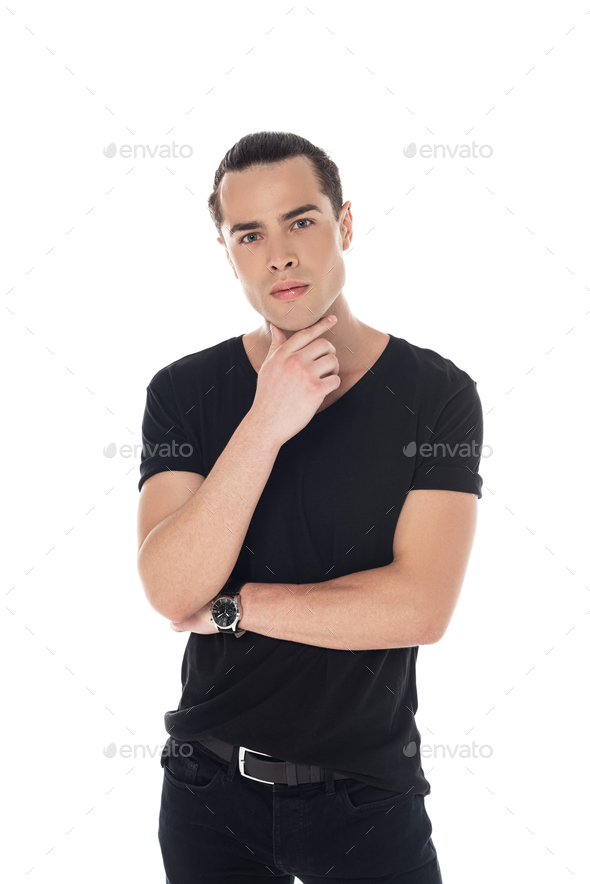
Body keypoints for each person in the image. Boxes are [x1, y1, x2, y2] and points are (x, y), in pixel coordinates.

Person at [136, 131, 483, 884]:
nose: (280, 256)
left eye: (301, 222)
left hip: (369, 800)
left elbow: (419, 606)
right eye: (249, 235)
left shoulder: (437, 395)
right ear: (227, 252)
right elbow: (169, 587)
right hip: (209, 794)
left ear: (345, 224)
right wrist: (265, 423)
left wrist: (236, 607)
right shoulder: (183, 393)